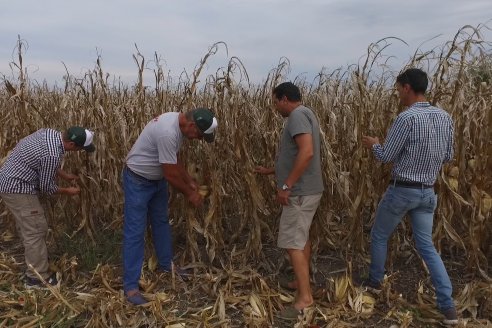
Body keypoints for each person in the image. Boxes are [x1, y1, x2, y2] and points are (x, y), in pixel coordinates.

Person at [361, 68, 458, 325]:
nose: (397, 93)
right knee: (427, 247)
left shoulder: (407, 119)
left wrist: (374, 144)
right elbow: (448, 156)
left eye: (398, 88)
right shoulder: (445, 117)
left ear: (406, 87)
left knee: (380, 235)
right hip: (428, 192)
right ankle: (448, 307)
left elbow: (386, 156)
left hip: (403, 190)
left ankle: (374, 283)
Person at [123, 108, 218, 305]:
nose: (199, 139)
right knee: (135, 231)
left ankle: (167, 266)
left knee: (161, 222)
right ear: (192, 126)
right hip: (138, 181)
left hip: (156, 181)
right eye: (200, 135)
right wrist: (190, 193)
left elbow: (173, 160)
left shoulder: (177, 125)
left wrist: (189, 180)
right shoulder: (168, 131)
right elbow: (169, 173)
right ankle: (130, 287)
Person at [255, 82, 324, 320]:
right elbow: (296, 156)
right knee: (301, 237)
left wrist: (286, 186)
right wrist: (271, 171)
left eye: (275, 102)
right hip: (306, 190)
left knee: (293, 242)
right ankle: (300, 281)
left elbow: (307, 153)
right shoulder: (306, 114)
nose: (275, 108)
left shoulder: (296, 116)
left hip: (300, 193)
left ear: (284, 99)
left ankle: (305, 298)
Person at [0, 126, 95, 288]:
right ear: (71, 144)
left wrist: (64, 175)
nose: (79, 151)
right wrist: (68, 191)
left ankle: (33, 265)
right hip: (18, 188)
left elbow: (41, 161)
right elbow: (46, 187)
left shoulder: (48, 134)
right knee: (35, 230)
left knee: (31, 228)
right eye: (80, 148)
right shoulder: (52, 154)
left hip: (10, 181)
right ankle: (36, 278)